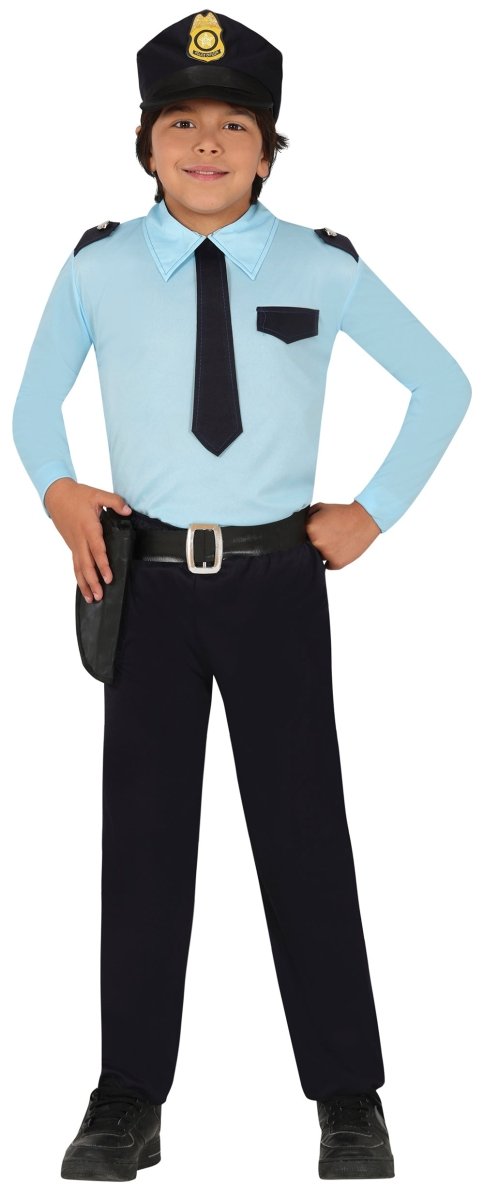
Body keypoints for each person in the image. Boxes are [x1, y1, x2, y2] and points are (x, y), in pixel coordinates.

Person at [11, 8, 472, 1185]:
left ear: (269, 149)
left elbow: (441, 383)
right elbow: (32, 405)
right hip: (148, 583)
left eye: (232, 125)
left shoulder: (320, 266)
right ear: (144, 142)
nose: (205, 145)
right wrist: (59, 490)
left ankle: (349, 1097)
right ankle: (127, 1095)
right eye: (180, 123)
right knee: (144, 840)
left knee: (303, 832)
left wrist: (372, 510)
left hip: (276, 584)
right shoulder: (99, 269)